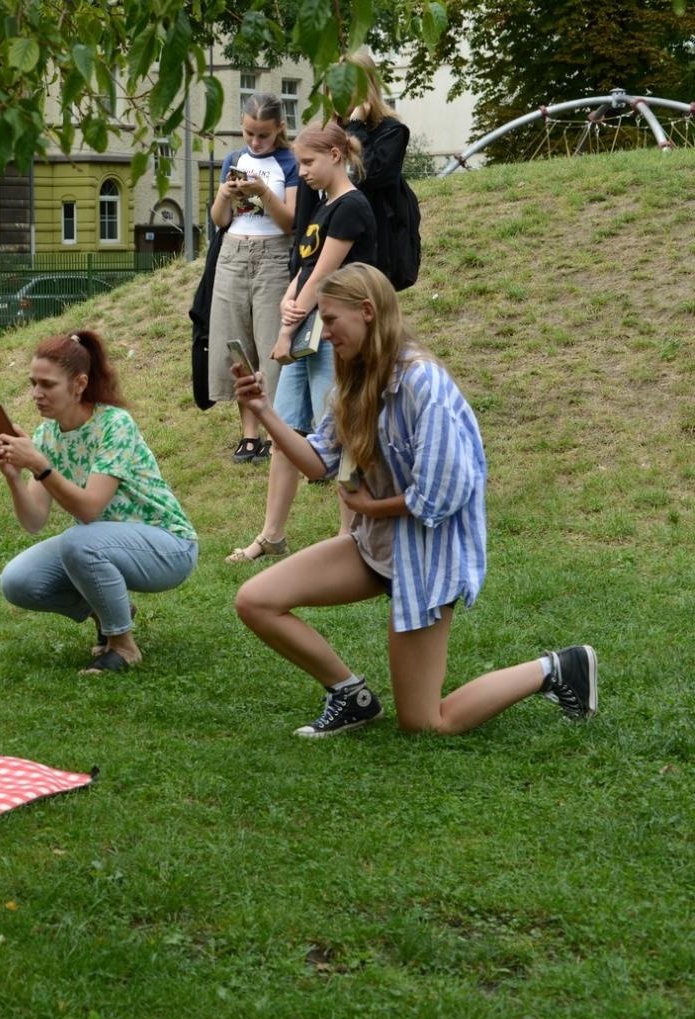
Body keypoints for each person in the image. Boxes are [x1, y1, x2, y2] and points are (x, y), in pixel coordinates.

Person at [231, 263, 598, 737]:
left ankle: (557, 668)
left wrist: (365, 508)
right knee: (255, 600)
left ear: (367, 312)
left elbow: (440, 497)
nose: (324, 336)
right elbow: (318, 463)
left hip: (428, 558)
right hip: (376, 547)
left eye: (331, 321)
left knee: (426, 722)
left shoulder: (426, 386)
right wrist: (262, 410)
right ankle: (350, 695)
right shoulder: (355, 378)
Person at [0, 332, 198, 674]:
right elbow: (34, 521)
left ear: (79, 384)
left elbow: (90, 509)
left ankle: (123, 645)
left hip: (169, 547)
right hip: (102, 543)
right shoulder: (46, 435)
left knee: (79, 539)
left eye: (47, 384)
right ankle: (111, 611)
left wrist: (41, 466)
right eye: (32, 383)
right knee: (18, 580)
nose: (36, 394)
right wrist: (15, 477)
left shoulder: (114, 424)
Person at [227, 120, 376, 565]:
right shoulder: (324, 207)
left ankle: (348, 536)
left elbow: (327, 274)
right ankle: (272, 535)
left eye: (308, 162)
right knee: (286, 433)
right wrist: (288, 315)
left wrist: (290, 323)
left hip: (335, 336)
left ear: (335, 155)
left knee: (346, 434)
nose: (303, 171)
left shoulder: (352, 206)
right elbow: (305, 267)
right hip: (306, 335)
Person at [207, 92, 300, 463]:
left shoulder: (290, 162)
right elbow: (219, 220)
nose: (255, 142)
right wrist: (225, 194)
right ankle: (249, 436)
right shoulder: (234, 159)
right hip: (232, 255)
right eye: (249, 133)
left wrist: (262, 191)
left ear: (279, 129)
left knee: (270, 346)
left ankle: (280, 432)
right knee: (237, 345)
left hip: (274, 256)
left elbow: (291, 221)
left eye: (263, 135)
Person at [344, 50, 420, 291]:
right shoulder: (329, 132)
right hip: (335, 240)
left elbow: (370, 174)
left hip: (374, 248)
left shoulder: (391, 131)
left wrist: (356, 127)